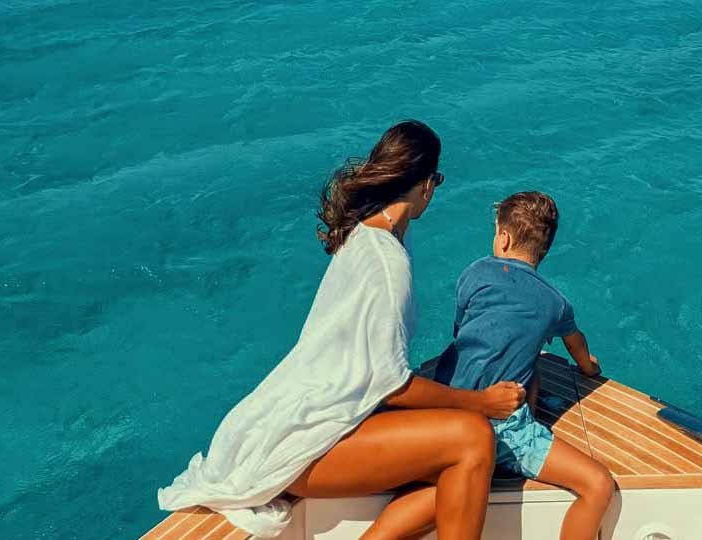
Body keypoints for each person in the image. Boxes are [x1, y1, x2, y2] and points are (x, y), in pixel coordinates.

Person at [158, 120, 526, 540]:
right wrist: (481, 402)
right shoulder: (389, 263)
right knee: (473, 439)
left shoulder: (365, 233)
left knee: (456, 472)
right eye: (437, 180)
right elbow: (392, 386)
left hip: (301, 421)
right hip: (309, 445)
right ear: (426, 184)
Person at [375, 191, 616, 540]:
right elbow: (576, 344)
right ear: (544, 250)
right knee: (598, 484)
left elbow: (463, 333)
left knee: (440, 483)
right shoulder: (556, 303)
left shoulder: (475, 274)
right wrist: (589, 367)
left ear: (503, 238)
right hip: (504, 429)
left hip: (445, 413)